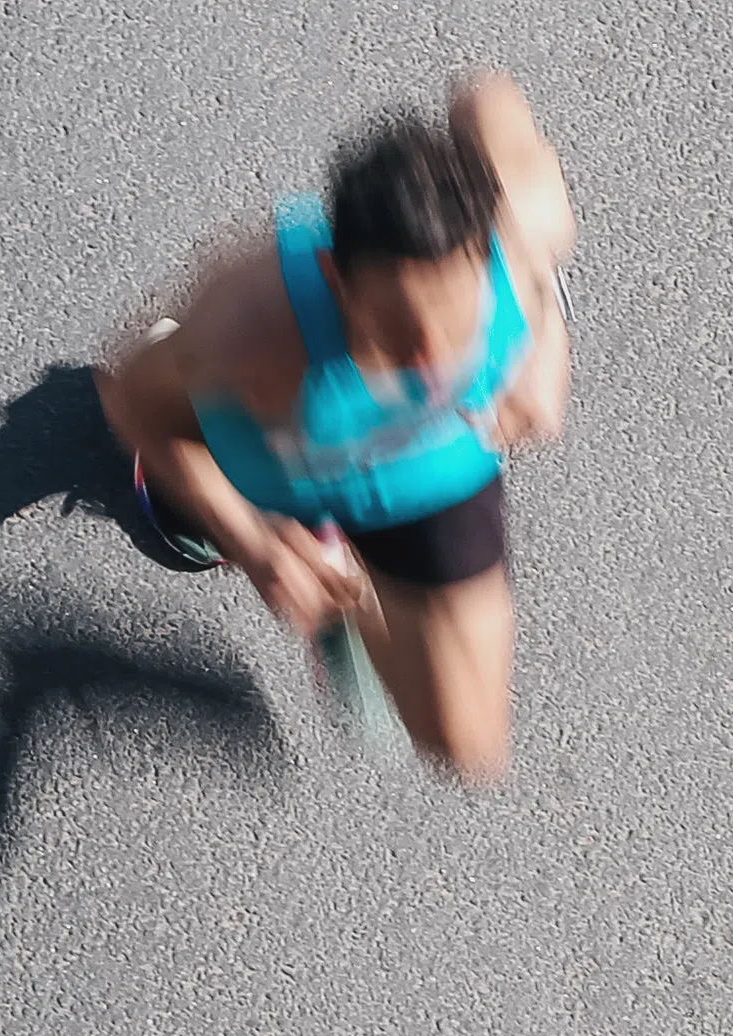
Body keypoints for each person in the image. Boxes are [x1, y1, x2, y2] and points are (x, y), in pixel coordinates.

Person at [93, 74, 574, 781]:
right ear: (335, 276)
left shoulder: (523, 226)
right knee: (185, 527)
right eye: (397, 328)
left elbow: (484, 96)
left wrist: (545, 341)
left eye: (451, 319)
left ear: (486, 255)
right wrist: (253, 543)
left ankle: (345, 598)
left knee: (466, 749)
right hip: (271, 467)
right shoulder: (247, 326)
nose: (429, 360)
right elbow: (130, 403)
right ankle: (288, 544)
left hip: (425, 467)